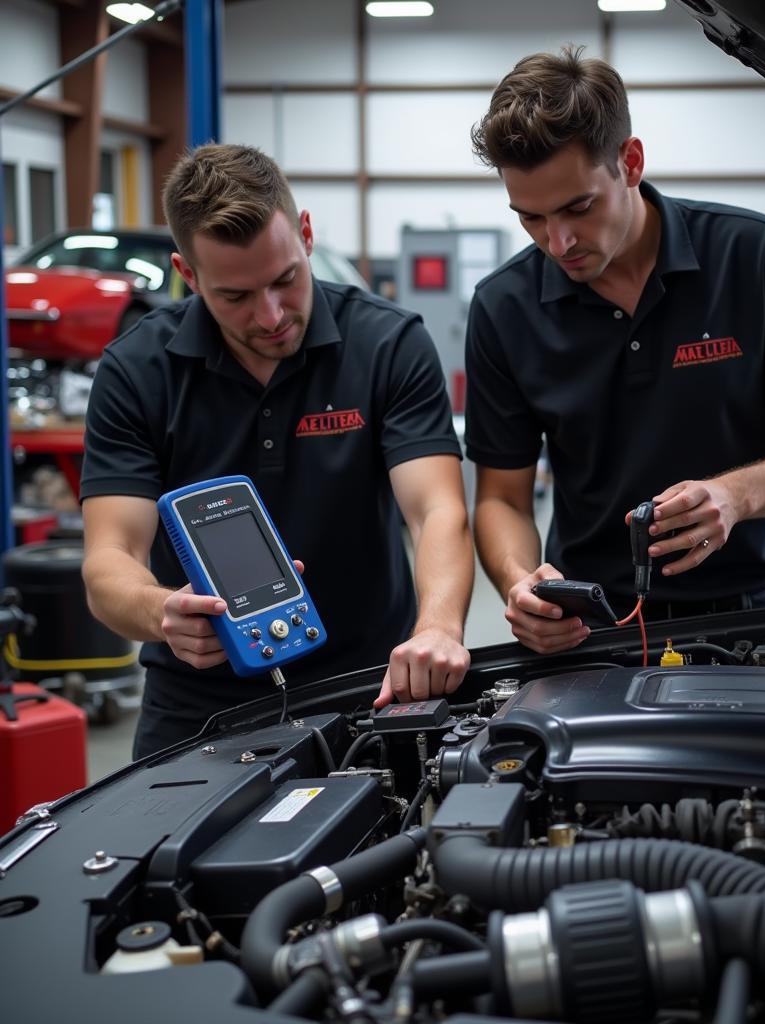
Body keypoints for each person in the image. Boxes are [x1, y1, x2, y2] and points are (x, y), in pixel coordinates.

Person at [81, 144, 474, 757]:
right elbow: (109, 559)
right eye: (235, 296)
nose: (270, 316)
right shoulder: (136, 371)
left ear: (307, 235)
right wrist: (164, 611)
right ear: (188, 273)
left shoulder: (388, 344)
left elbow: (437, 512)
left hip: (370, 690)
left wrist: (439, 629)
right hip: (196, 708)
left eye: (285, 279)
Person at [464, 47, 765, 655]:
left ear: (630, 162)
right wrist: (521, 582)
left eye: (578, 207)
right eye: (531, 218)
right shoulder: (503, 307)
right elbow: (501, 497)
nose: (558, 241)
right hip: (597, 627)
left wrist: (735, 496)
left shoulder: (751, 256)